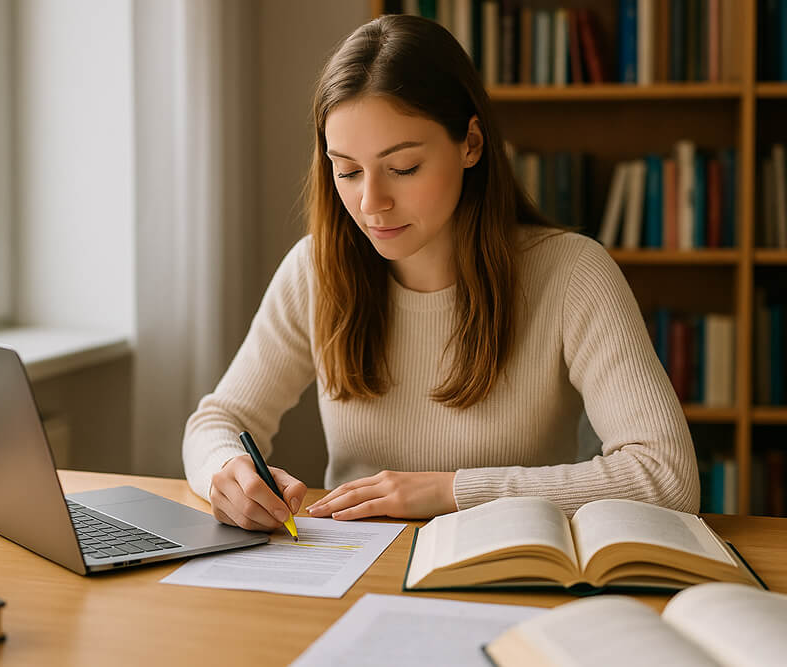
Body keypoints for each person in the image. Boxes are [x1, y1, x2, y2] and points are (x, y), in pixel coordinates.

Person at [182, 14, 699, 534]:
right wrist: (225, 471)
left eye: (403, 168)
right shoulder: (316, 270)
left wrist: (452, 491)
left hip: (513, 568)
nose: (372, 203)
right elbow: (218, 421)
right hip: (353, 570)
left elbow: (667, 476)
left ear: (471, 144)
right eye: (347, 170)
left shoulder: (571, 273)